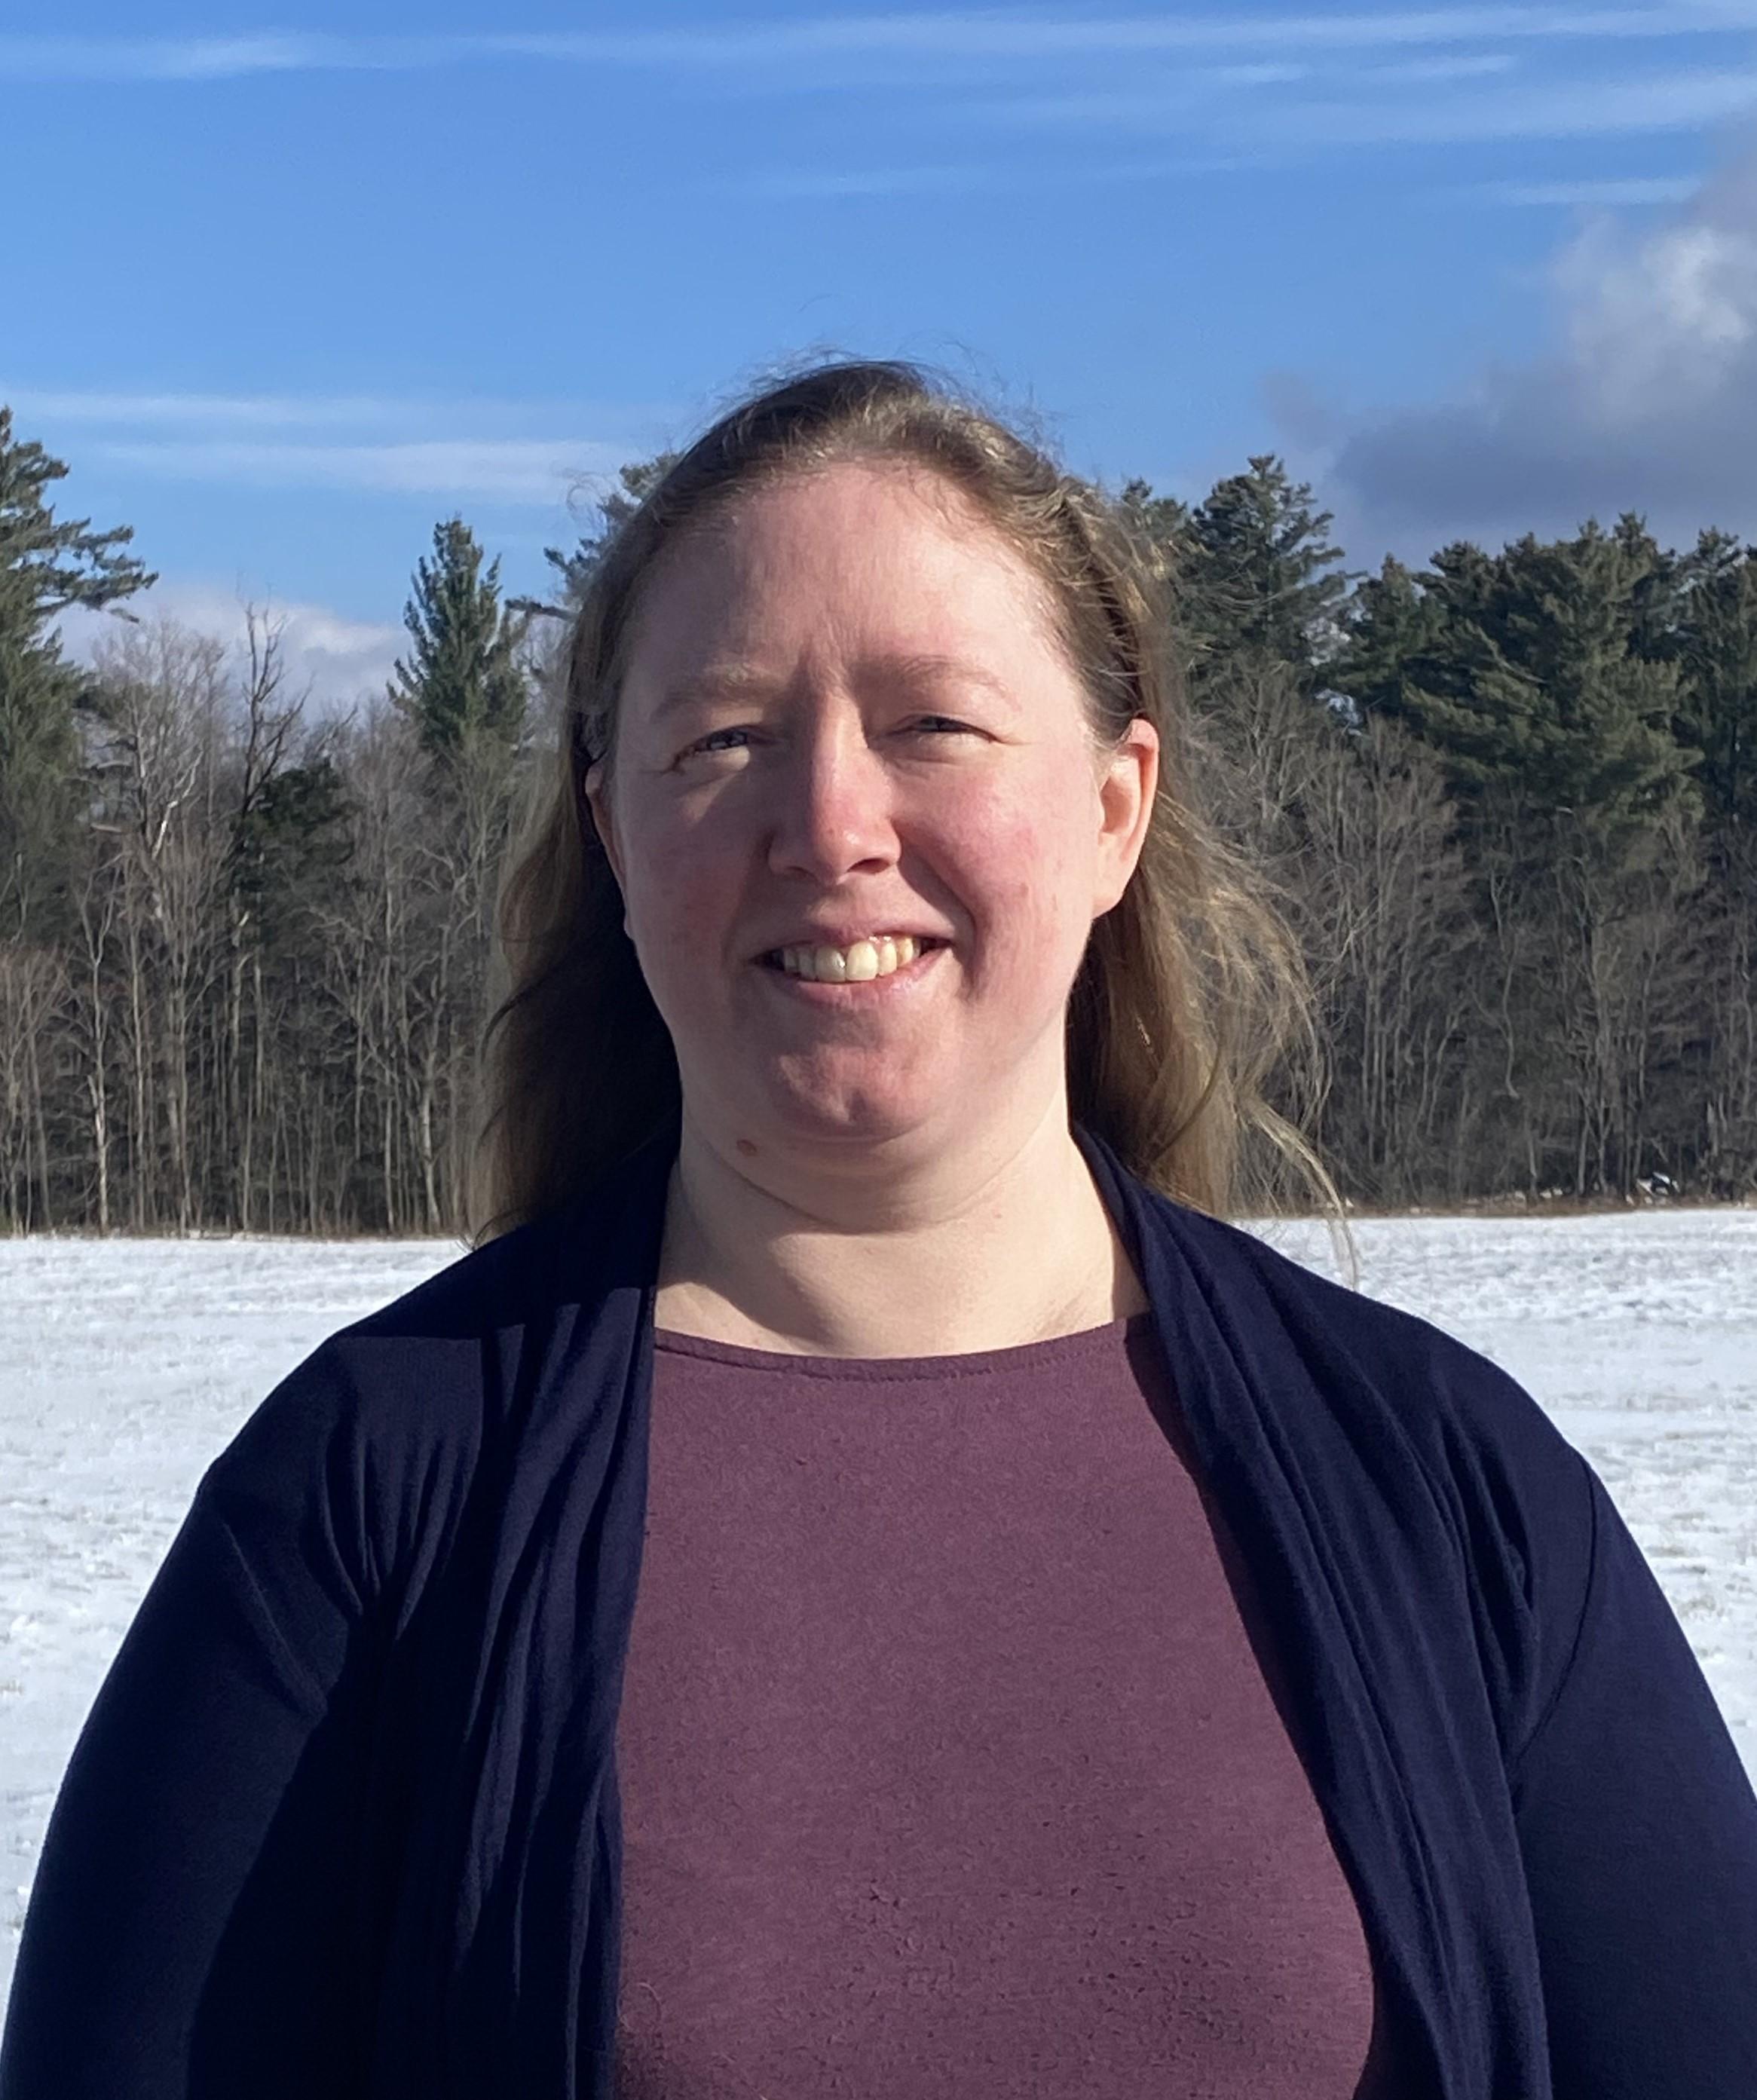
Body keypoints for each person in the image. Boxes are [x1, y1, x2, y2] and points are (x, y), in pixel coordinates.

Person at [2, 357, 1754, 2100]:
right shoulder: (371, 1501)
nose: (831, 822)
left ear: (1111, 806)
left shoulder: (1441, 1494)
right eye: (724, 739)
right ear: (614, 831)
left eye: (932, 724)